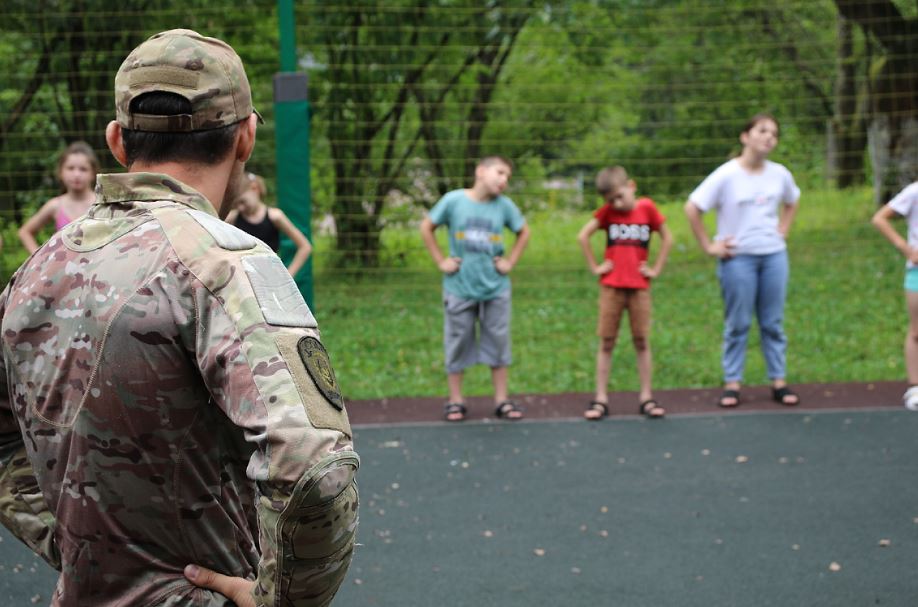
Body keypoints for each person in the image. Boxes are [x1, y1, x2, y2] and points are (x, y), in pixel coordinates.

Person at [0, 29, 358, 607]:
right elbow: (315, 469)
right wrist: (281, 599)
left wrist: (82, 546)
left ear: (117, 141)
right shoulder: (225, 262)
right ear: (245, 137)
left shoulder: (35, 271)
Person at [684, 113, 801, 408]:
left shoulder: (780, 174)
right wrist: (709, 245)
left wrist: (784, 229)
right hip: (738, 258)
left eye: (774, 133)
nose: (768, 138)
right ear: (745, 136)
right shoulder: (726, 175)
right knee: (737, 322)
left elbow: (793, 199)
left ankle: (778, 380)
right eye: (762, 131)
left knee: (772, 322)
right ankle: (732, 382)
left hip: (773, 255)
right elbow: (693, 207)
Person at [419, 156, 530, 422]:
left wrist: (510, 262)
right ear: (481, 171)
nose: (504, 180)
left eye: (508, 177)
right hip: (459, 287)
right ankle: (456, 401)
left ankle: (502, 400)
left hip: (495, 289)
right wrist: (441, 261)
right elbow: (427, 227)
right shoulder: (454, 200)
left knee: (498, 342)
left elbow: (524, 231)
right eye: (500, 172)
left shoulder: (504, 206)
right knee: (457, 341)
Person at [577, 166, 673, 420]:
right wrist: (596, 266)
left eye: (620, 196)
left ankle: (646, 397)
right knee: (607, 341)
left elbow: (667, 237)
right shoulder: (608, 213)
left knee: (641, 341)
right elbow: (583, 236)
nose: (617, 204)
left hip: (639, 287)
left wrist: (656, 268)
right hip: (612, 287)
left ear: (631, 186)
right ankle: (600, 399)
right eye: (611, 200)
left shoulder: (647, 209)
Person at [871, 181, 918, 411]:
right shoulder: (915, 191)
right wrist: (906, 248)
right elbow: (880, 218)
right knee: (917, 331)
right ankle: (915, 386)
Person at [18, 141, 99, 254]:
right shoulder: (55, 205)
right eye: (70, 168)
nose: (76, 174)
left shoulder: (101, 204)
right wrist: (39, 258)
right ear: (61, 172)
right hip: (64, 271)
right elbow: (25, 232)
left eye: (83, 169)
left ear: (93, 173)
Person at [225, 172, 313, 277]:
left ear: (254, 188)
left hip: (270, 278)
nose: (240, 208)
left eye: (242, 202)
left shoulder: (275, 216)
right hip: (244, 279)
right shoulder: (233, 217)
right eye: (235, 204)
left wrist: (288, 275)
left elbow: (305, 246)